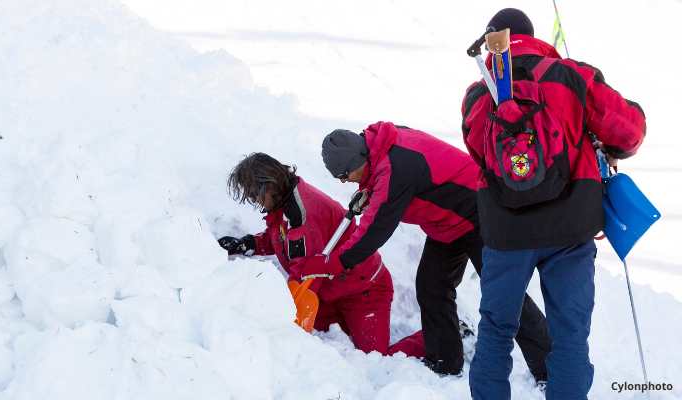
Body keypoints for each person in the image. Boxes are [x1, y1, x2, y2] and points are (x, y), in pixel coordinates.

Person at [460, 8, 646, 400]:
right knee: (570, 336)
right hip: (570, 226)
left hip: (506, 231)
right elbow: (629, 131)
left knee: (495, 330)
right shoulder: (569, 76)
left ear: (493, 41)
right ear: (532, 35)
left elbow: (480, 153)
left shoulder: (477, 96)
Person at [303, 123, 553, 379]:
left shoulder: (396, 168)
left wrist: (328, 265)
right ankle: (445, 361)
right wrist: (370, 189)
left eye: (344, 173)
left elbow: (371, 235)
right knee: (432, 286)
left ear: (359, 158)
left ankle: (551, 371)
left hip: (482, 214)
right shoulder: (379, 146)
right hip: (449, 222)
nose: (343, 180)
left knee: (506, 296)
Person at [217, 152, 425, 357]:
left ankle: (437, 337)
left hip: (363, 292)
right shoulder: (285, 200)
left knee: (377, 358)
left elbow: (305, 273)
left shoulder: (304, 212)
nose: (255, 202)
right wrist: (247, 244)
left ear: (270, 185)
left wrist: (288, 332)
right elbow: (283, 237)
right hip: (330, 294)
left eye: (254, 195)